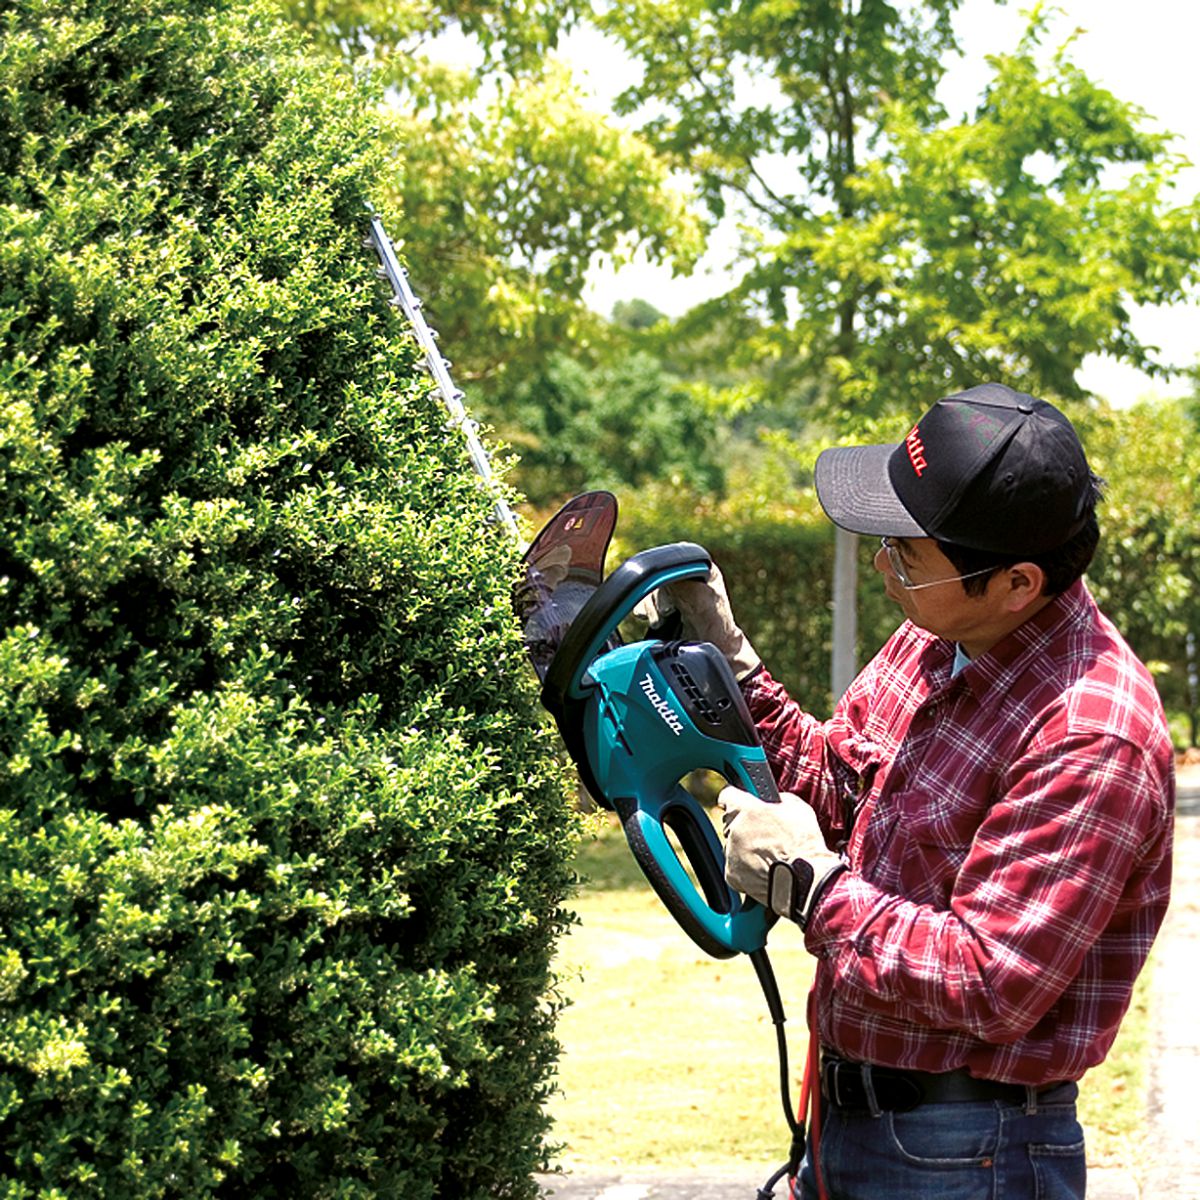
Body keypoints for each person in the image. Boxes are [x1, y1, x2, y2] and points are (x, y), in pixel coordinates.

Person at [665, 383, 1175, 1200]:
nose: (881, 563)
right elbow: (833, 785)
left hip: (971, 1151)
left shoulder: (1089, 734)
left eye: (907, 553)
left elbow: (991, 981)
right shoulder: (940, 634)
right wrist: (730, 658)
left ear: (1016, 582)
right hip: (857, 1122)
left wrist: (812, 884)